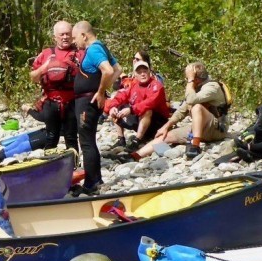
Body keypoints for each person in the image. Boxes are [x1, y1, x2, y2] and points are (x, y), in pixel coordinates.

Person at [133, 61, 231, 160]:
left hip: (217, 129)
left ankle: (195, 146)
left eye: (188, 77)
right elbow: (182, 110)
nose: (186, 80)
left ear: (195, 78)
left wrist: (190, 80)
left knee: (197, 107)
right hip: (201, 128)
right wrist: (166, 126)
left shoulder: (212, 87)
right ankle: (136, 155)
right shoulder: (196, 87)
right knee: (167, 136)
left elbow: (191, 100)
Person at [69, 21, 119, 194]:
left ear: (84, 35)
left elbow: (109, 71)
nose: (74, 42)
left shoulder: (93, 49)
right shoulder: (101, 47)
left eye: (75, 37)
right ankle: (96, 179)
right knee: (90, 140)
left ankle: (91, 184)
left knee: (86, 142)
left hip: (86, 103)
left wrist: (100, 91)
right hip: (89, 100)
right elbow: (117, 69)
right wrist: (102, 90)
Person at [27, 20, 82, 149]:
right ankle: (50, 166)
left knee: (71, 137)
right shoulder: (46, 54)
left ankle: (73, 165)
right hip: (50, 102)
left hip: (72, 102)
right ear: (55, 37)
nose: (65, 37)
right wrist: (45, 67)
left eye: (68, 34)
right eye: (62, 34)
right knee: (51, 137)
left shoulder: (80, 52)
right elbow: (33, 78)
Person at [104, 51, 170, 150]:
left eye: (145, 71)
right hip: (139, 116)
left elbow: (150, 103)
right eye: (139, 72)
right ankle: (121, 139)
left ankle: (137, 140)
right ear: (136, 74)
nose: (143, 74)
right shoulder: (134, 85)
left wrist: (131, 109)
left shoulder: (156, 85)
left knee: (147, 110)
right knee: (117, 106)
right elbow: (121, 95)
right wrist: (112, 107)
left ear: (149, 71)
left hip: (157, 122)